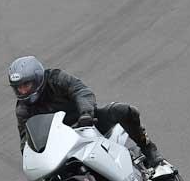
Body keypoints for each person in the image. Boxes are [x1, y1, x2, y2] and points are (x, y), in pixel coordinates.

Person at [9, 55, 163, 168]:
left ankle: (148, 149)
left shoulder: (56, 78)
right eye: (18, 87)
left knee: (123, 110)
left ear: (37, 78)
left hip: (87, 122)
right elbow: (25, 138)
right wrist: (32, 157)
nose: (23, 90)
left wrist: (86, 113)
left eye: (26, 84)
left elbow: (81, 91)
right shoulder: (23, 109)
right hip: (62, 143)